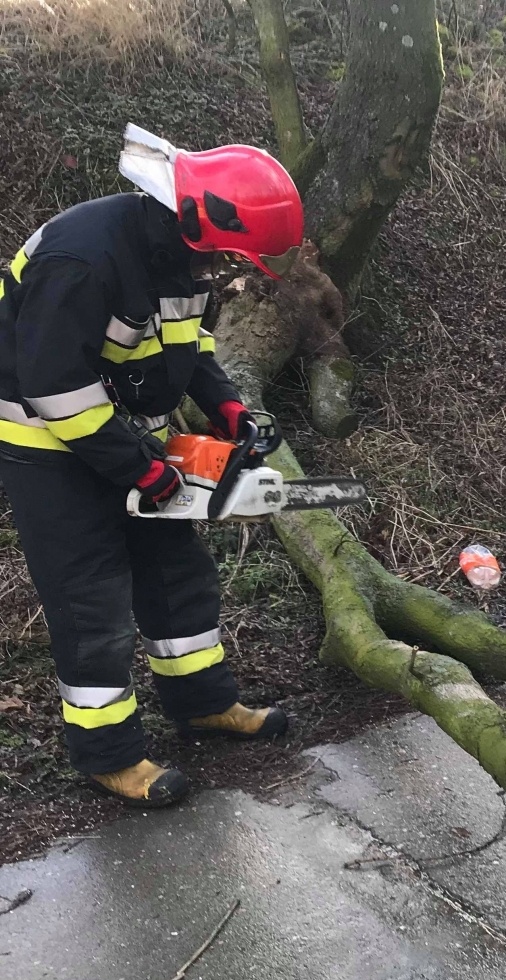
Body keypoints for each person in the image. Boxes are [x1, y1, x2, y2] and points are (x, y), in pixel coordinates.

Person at [0, 125, 304, 808]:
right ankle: (107, 754)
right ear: (200, 224)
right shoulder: (83, 257)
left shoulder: (187, 265)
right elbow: (54, 387)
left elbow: (189, 347)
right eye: (232, 257)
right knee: (92, 599)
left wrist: (226, 408)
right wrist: (136, 469)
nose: (234, 271)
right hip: (49, 447)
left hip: (132, 432)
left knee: (176, 572)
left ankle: (203, 703)